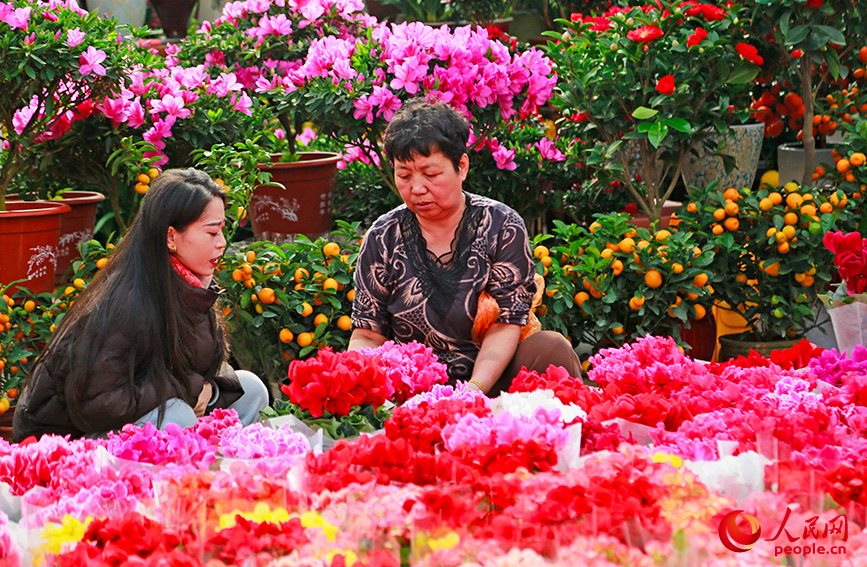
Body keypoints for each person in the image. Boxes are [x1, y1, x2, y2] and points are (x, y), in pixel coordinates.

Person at [13, 169, 269, 442]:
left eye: (222, 230)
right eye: (212, 231)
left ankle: (224, 470)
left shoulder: (192, 285)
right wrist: (191, 388)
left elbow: (203, 364)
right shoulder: (123, 302)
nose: (222, 243)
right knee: (175, 416)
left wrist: (210, 388)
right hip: (67, 439)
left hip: (140, 411)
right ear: (171, 237)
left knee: (252, 389)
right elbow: (100, 404)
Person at [348, 100, 582, 396]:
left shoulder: (501, 225)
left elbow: (506, 323)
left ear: (462, 166)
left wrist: (472, 391)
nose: (417, 188)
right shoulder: (383, 235)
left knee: (550, 349)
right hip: (412, 386)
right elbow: (368, 333)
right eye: (404, 175)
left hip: (492, 377)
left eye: (430, 174)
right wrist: (353, 378)